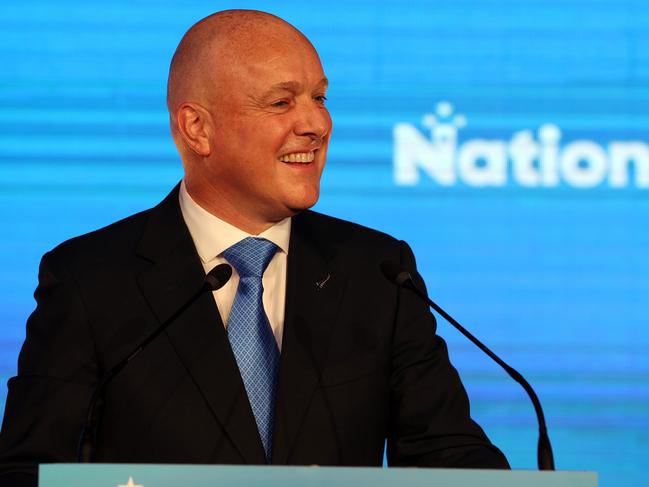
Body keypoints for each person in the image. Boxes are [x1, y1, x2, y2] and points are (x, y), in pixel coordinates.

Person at [0, 9, 509, 486]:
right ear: (197, 128)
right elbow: (32, 468)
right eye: (282, 102)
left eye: (320, 98)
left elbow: (449, 457)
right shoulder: (91, 280)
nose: (316, 124)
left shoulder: (377, 272)